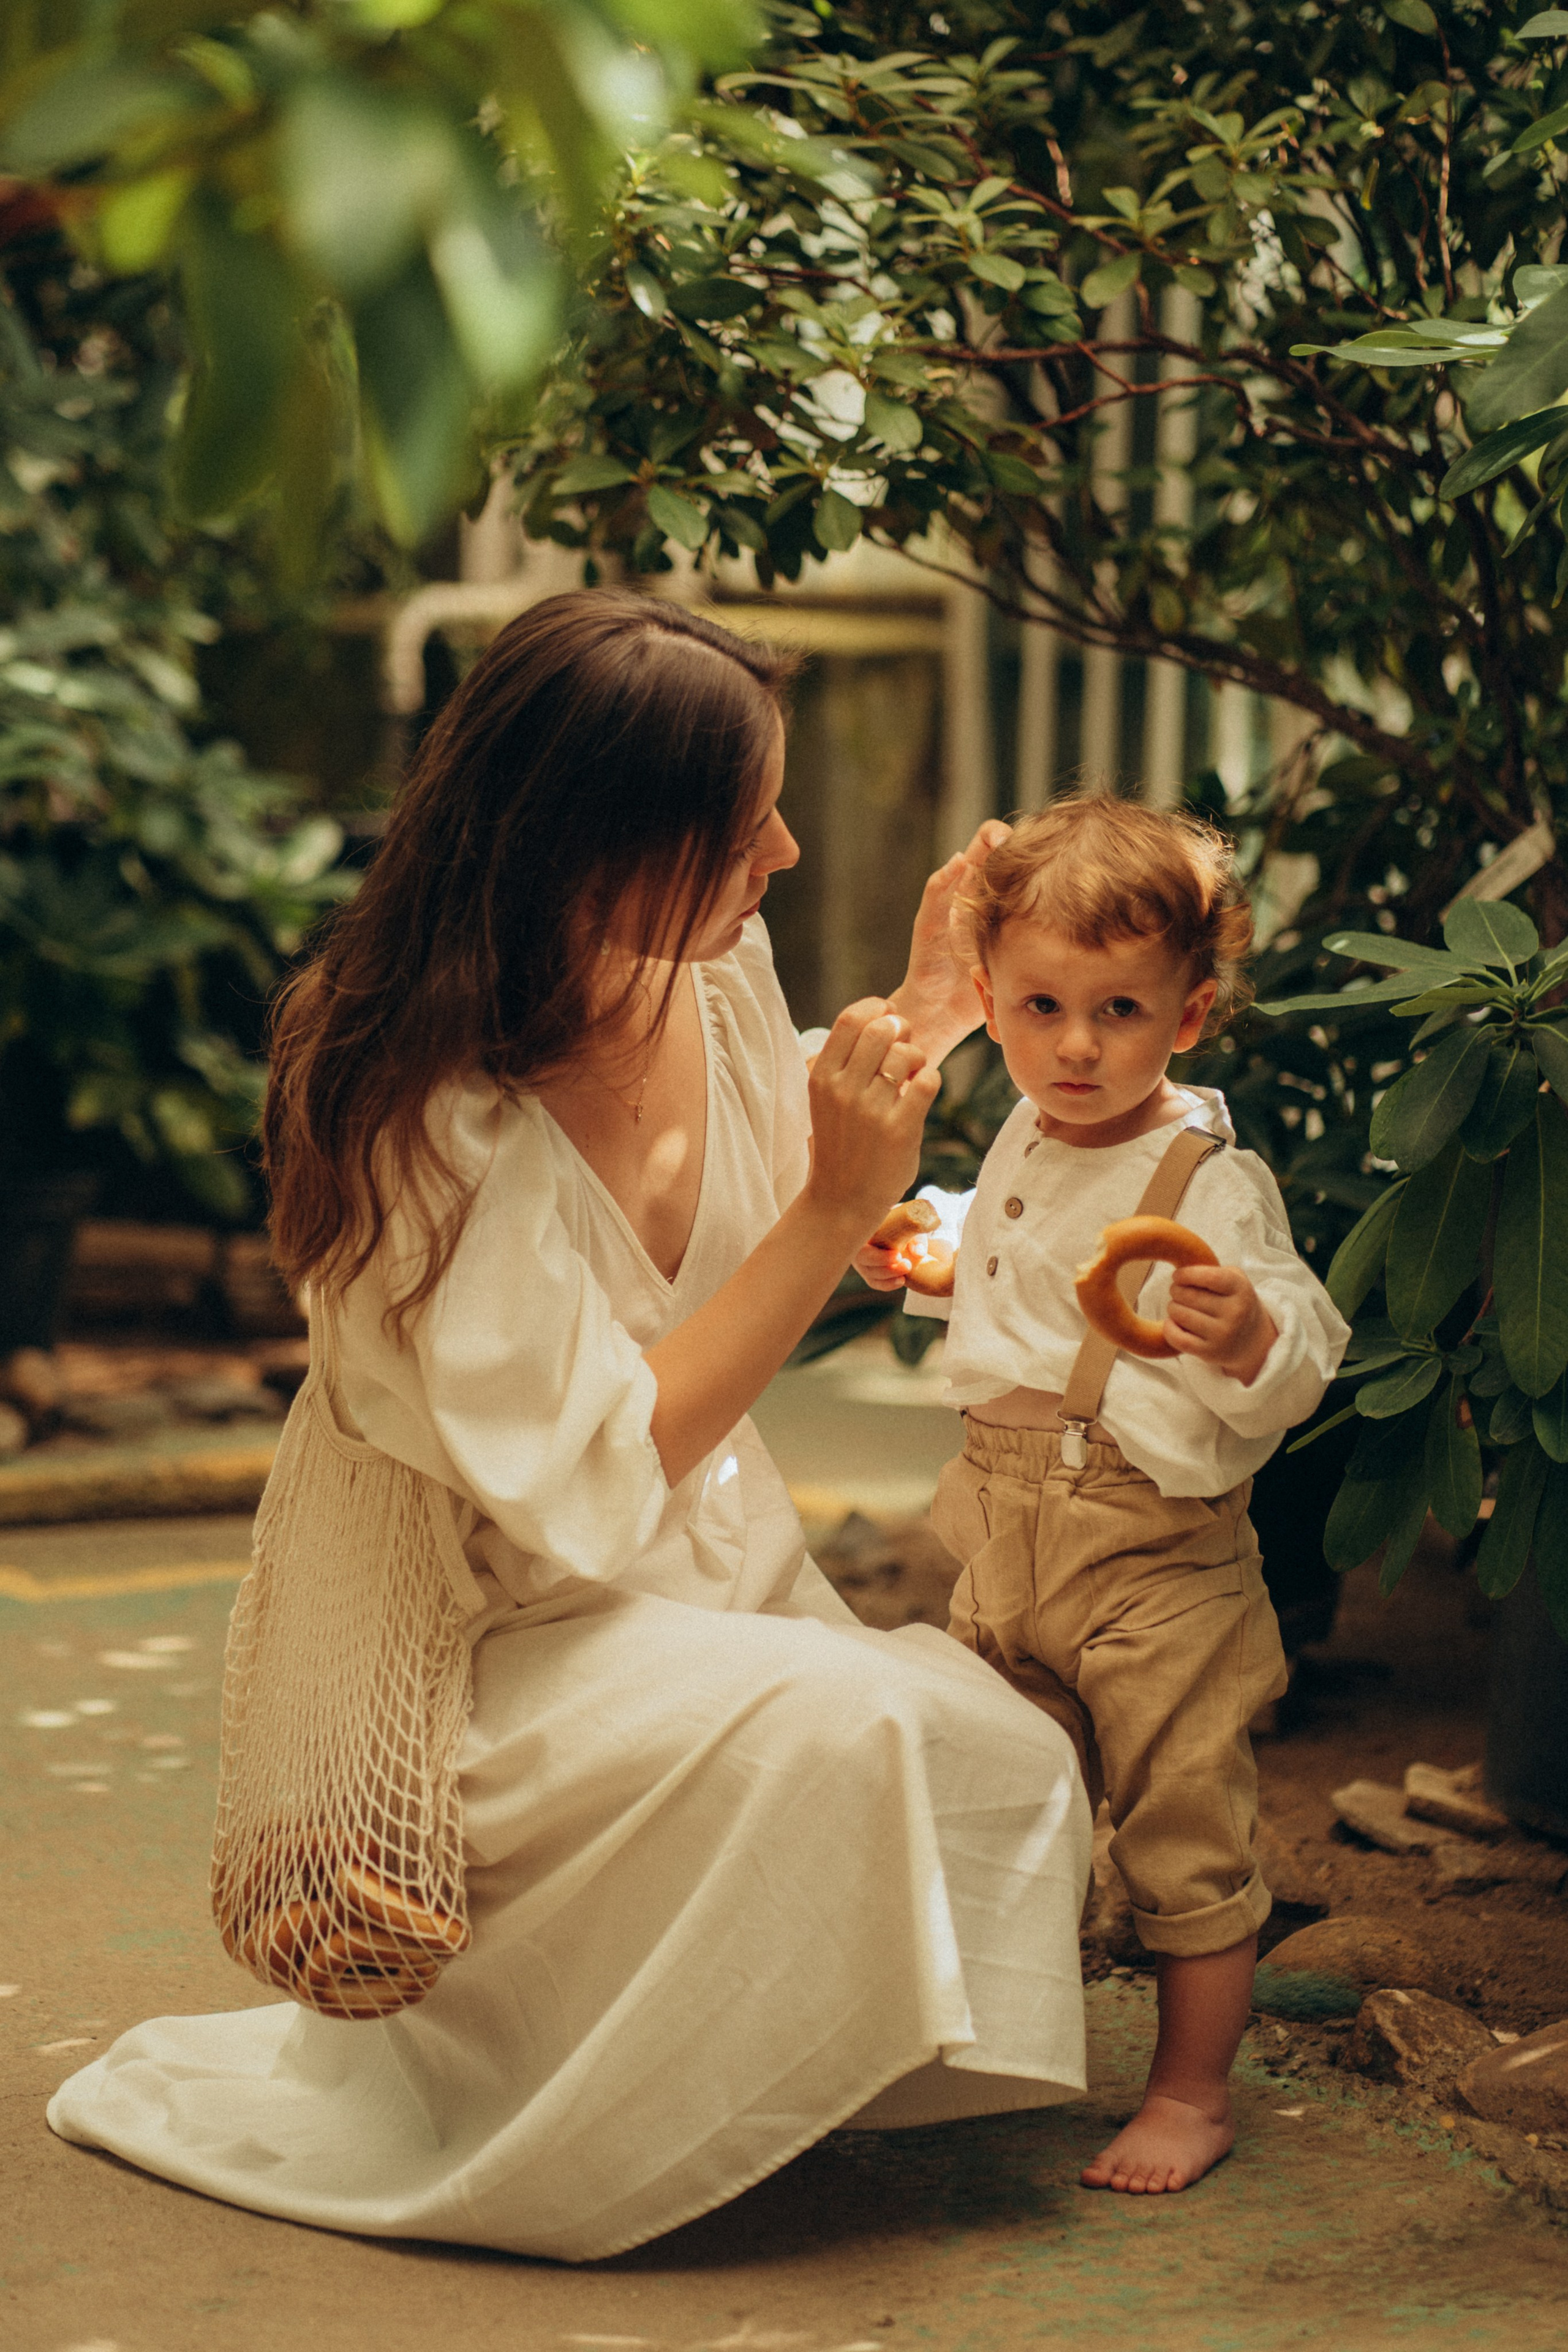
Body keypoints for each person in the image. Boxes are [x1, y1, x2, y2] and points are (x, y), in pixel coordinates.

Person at [47, 591, 1092, 2263]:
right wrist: (836, 1215)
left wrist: (932, 1003)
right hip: (496, 1645)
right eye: (741, 818)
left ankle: (759, 2070)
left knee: (1006, 1758)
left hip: (710, 1584)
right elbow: (602, 1473)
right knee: (846, 1736)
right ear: (601, 850)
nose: (789, 845)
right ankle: (563, 2125)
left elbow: (787, 1139)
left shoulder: (711, 969)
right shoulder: (416, 1114)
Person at [859, 796, 1349, 2198]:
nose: (1075, 1046)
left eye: (1118, 1010)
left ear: (1187, 1017)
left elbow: (1307, 1349)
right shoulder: (1027, 1129)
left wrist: (1241, 1332)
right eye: (1039, 1006)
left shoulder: (1202, 1180)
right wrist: (937, 1248)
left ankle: (1192, 2093)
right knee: (994, 1782)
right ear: (996, 1003)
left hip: (1150, 1563)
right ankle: (992, 2037)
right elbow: (1019, 1248)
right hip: (1000, 1538)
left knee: (1179, 1817)